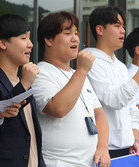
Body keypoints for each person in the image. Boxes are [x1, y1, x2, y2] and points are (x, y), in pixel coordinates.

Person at [32, 11, 110, 166]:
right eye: (67, 33)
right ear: (48, 40)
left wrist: (102, 148)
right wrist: (82, 70)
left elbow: (99, 114)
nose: (75, 38)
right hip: (59, 162)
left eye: (76, 33)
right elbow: (58, 109)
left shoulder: (78, 74)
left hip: (90, 162)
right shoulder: (39, 73)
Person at [86, 7, 139, 158]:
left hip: (127, 147)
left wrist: (134, 138)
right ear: (100, 29)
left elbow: (132, 107)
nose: (123, 31)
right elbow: (113, 100)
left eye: (123, 26)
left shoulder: (120, 66)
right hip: (103, 150)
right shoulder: (90, 60)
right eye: (117, 26)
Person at [0, 14, 45, 167]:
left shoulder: (22, 80)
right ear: (3, 43)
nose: (30, 44)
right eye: (23, 38)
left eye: (29, 38)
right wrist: (24, 84)